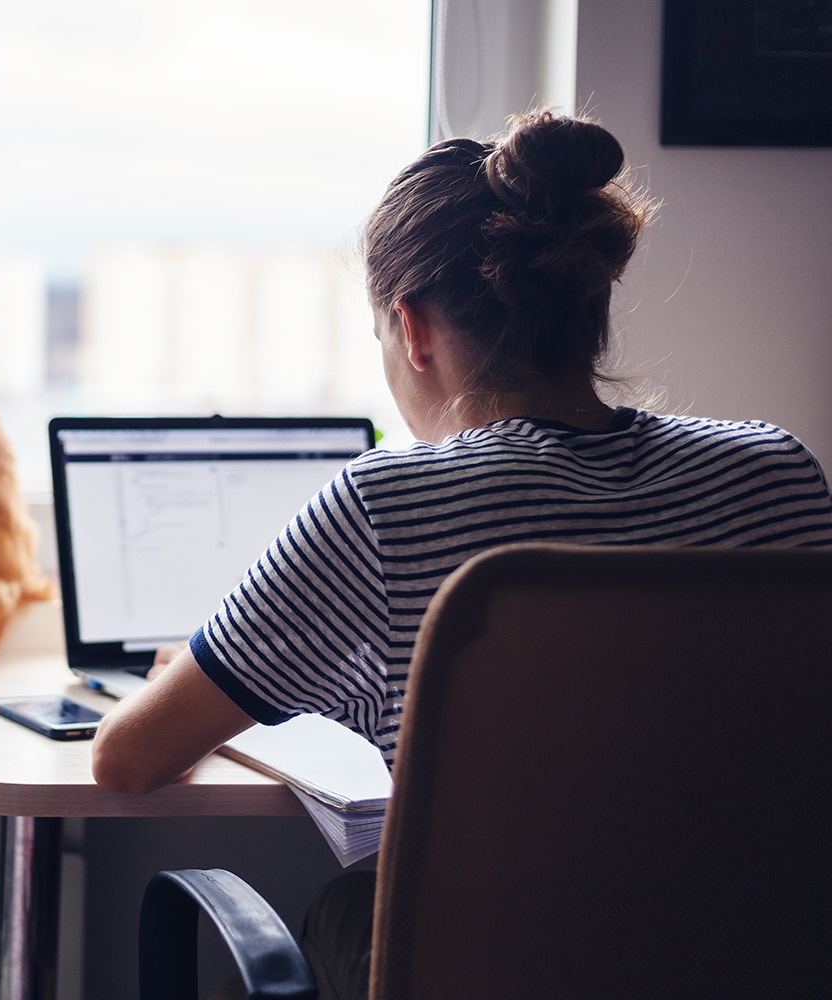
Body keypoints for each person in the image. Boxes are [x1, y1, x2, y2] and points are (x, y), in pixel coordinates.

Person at [92, 109, 832, 997]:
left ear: (412, 329)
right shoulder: (776, 470)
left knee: (340, 909)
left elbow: (127, 758)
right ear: (591, 302)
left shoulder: (385, 505)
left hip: (505, 972)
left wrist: (220, 673)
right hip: (758, 956)